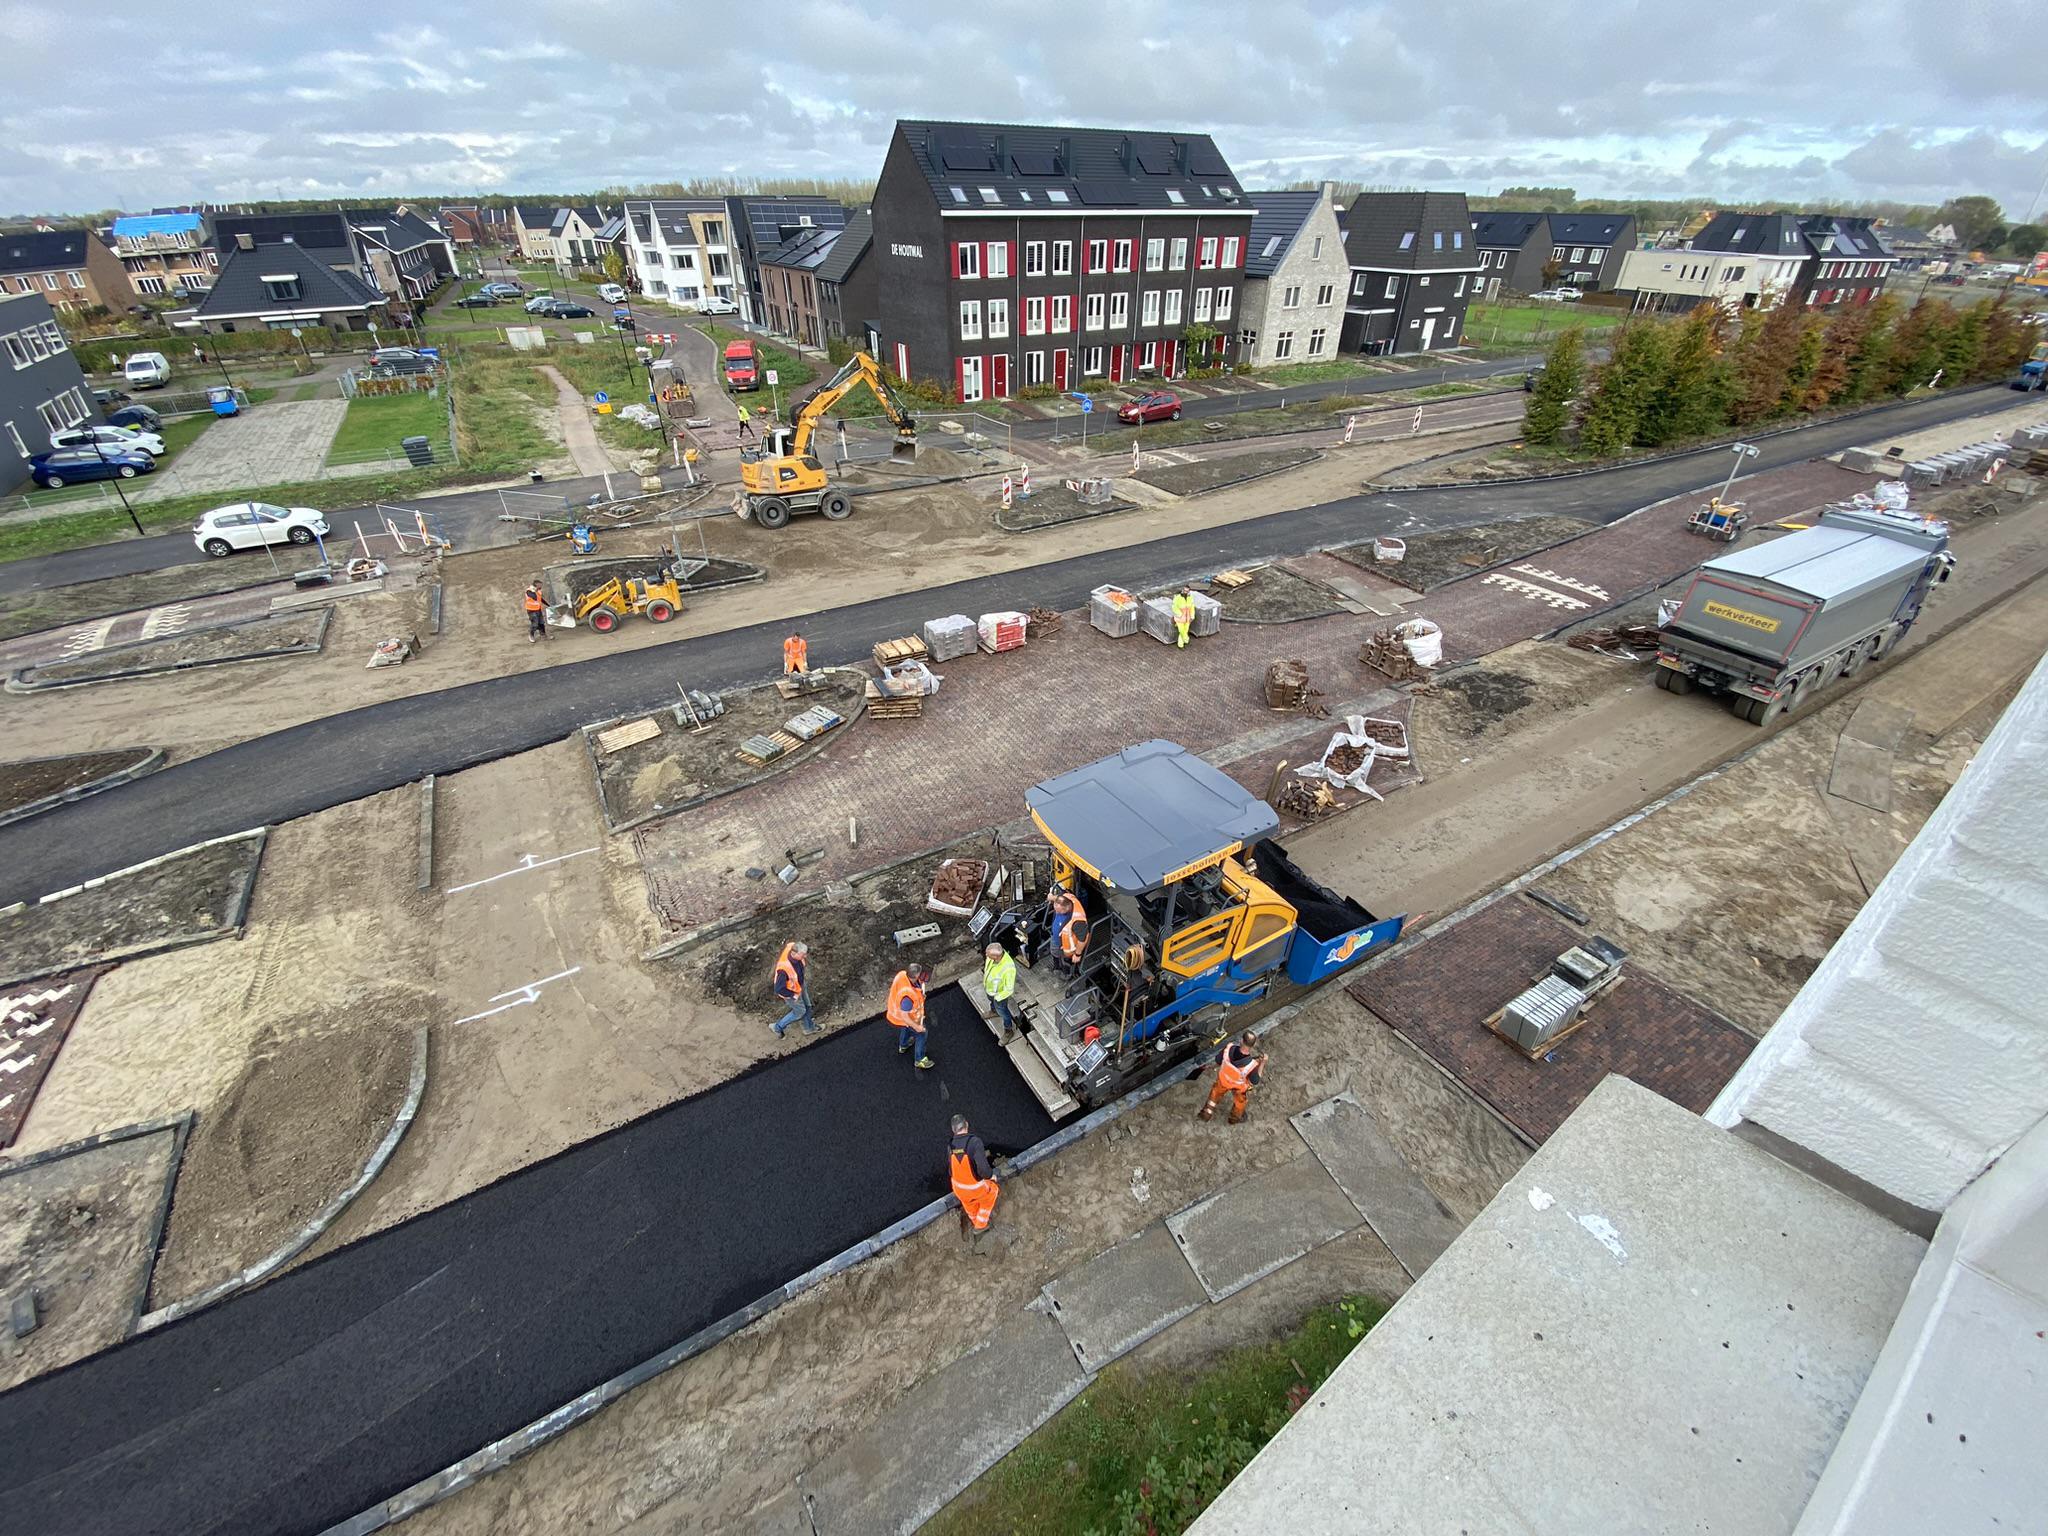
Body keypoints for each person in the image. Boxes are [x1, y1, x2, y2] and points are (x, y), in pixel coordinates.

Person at [1198, 1031, 1267, 1125]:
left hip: (1223, 1080)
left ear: (1241, 1040)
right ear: (1253, 1045)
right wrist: (1262, 1063)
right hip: (1238, 1087)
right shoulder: (1252, 1065)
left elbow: (1218, 1061)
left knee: (1214, 1094)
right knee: (1240, 1102)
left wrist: (1211, 1067)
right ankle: (1234, 1118)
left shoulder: (1229, 1048)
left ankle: (1206, 1113)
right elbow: (1255, 1081)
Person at [948, 1113, 1000, 1237]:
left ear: (953, 1130)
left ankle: (973, 1217)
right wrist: (991, 1176)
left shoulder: (950, 1146)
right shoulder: (974, 1142)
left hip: (958, 1188)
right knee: (992, 1192)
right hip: (974, 1188)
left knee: (969, 1203)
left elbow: (951, 1170)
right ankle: (980, 1225)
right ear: (967, 1124)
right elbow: (983, 1170)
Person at [890, 963, 934, 1069]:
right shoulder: (907, 999)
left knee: (906, 1028)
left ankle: (903, 1045)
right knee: (922, 1034)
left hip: (901, 1017)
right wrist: (917, 1027)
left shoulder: (902, 975)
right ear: (914, 977)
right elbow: (905, 1017)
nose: (923, 976)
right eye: (920, 975)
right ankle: (919, 1060)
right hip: (909, 1017)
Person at [771, 940, 816, 1036]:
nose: (805, 957)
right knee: (800, 1011)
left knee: (808, 1006)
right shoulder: (783, 969)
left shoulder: (792, 946)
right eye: (803, 955)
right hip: (790, 992)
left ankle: (809, 1028)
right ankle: (777, 1027)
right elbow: (779, 989)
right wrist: (793, 995)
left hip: (799, 985)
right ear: (794, 953)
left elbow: (790, 944)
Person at [983, 942, 1018, 1042]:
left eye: (988, 954)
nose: (986, 955)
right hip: (989, 990)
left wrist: (998, 997)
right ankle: (994, 1011)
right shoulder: (991, 958)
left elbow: (1009, 989)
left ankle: (1008, 1030)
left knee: (1003, 1012)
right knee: (991, 1002)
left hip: (999, 995)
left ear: (996, 956)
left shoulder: (1009, 968)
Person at [1056, 915, 1090, 979]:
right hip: (1066, 947)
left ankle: (1068, 974)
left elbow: (1083, 938)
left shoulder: (1078, 924)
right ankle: (1067, 972)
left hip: (1071, 949)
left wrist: (1077, 954)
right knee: (1065, 960)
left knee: (1068, 961)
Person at [522, 578, 548, 643]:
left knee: (541, 623)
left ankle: (543, 635)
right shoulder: (529, 591)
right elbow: (534, 597)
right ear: (536, 585)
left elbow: (540, 599)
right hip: (531, 610)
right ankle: (531, 635)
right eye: (540, 585)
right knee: (535, 624)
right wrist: (535, 590)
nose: (541, 587)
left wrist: (548, 605)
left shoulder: (538, 591)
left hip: (538, 609)